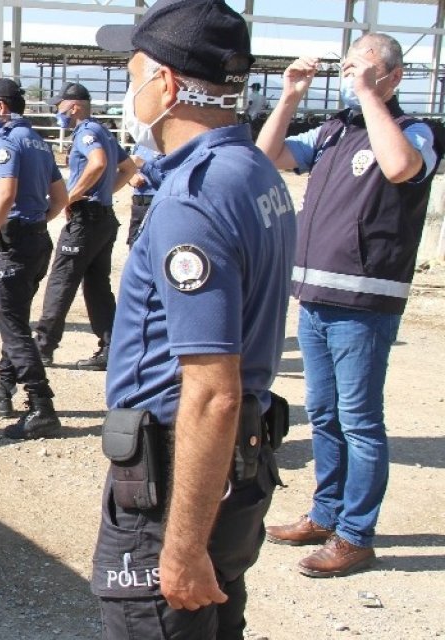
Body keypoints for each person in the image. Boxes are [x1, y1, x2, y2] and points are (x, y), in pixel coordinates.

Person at [91, 1, 296, 636]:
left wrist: (180, 548)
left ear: (167, 84)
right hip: (232, 471)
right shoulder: (251, 169)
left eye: (132, 79)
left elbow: (211, 393)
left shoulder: (194, 197)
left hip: (176, 482)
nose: (131, 93)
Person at [257, 33, 439, 578]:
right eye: (348, 67)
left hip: (365, 299)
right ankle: (325, 513)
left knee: (360, 420)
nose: (351, 75)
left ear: (393, 77)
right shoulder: (336, 130)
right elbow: (267, 157)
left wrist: (368, 97)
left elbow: (401, 167)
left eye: (365, 68)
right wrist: (289, 95)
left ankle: (356, 534)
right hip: (314, 295)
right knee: (328, 416)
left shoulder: (413, 130)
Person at [0, 77, 69, 439]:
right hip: (37, 240)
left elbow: (6, 193)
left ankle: (42, 406)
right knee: (17, 321)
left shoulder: (7, 142)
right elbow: (60, 198)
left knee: (13, 328)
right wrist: (37, 222)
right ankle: (1, 393)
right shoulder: (41, 144)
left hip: (13, 242)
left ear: (1, 106)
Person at [34, 82, 136, 371]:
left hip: (85, 220)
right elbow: (128, 169)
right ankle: (111, 347)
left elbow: (98, 163)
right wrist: (103, 194)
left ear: (74, 106)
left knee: (61, 280)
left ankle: (43, 347)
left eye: (60, 107)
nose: (58, 112)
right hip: (103, 217)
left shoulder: (87, 132)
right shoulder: (104, 130)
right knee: (97, 285)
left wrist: (71, 196)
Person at [125, 145, 162, 247]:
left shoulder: (167, 145)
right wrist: (130, 177)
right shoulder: (139, 145)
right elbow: (127, 168)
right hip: (138, 202)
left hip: (157, 200)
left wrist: (143, 164)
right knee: (134, 244)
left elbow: (169, 175)